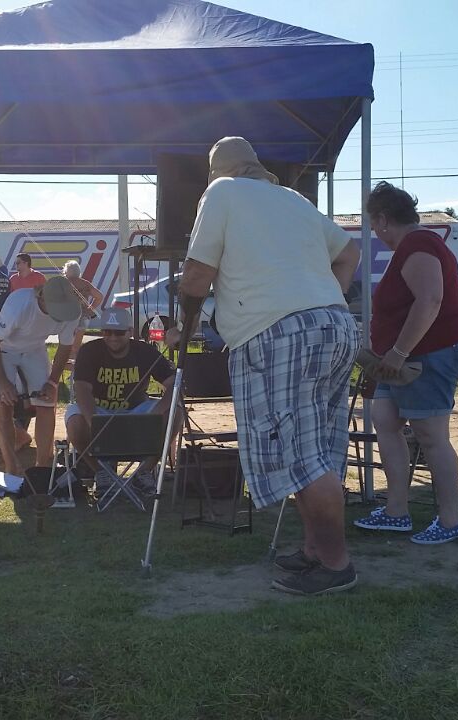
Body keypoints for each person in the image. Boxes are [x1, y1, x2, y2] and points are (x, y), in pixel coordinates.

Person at [173, 136, 361, 596]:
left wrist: (186, 324)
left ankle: (336, 564)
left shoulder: (221, 193)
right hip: (336, 325)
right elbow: (349, 254)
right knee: (319, 449)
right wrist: (324, 296)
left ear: (219, 172)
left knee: (299, 454)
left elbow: (197, 275)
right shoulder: (294, 200)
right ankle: (315, 550)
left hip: (277, 333)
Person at [352, 182, 458, 547]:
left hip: (428, 353)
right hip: (402, 358)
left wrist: (399, 352)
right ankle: (396, 511)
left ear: (383, 219)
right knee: (385, 420)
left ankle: (450, 520)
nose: (374, 232)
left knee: (431, 436)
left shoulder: (419, 245)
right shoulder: (412, 247)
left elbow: (430, 300)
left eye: (373, 224)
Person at [0, 275, 87, 476]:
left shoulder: (72, 312)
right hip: (3, 349)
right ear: (42, 298)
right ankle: (11, 467)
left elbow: (64, 347)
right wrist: (3, 382)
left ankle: (42, 467)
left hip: (35, 349)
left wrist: (52, 382)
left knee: (47, 402)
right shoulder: (19, 304)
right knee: (3, 405)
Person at [65, 307, 175, 486]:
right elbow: (82, 389)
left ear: (130, 332)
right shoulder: (89, 350)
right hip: (99, 410)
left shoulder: (145, 351)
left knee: (175, 413)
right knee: (75, 420)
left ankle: (144, 472)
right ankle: (101, 473)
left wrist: (157, 413)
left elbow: (174, 383)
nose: (113, 337)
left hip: (137, 411)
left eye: (119, 332)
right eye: (107, 332)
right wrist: (93, 420)